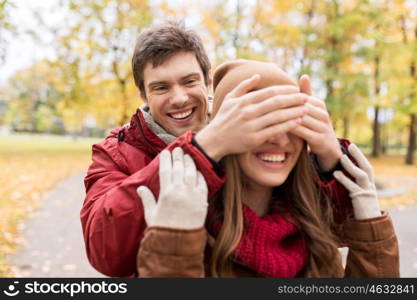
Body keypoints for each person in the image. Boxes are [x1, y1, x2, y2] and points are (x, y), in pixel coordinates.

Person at [81, 22, 353, 278]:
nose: (179, 98)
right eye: (161, 87)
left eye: (189, 82)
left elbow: (327, 223)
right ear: (144, 95)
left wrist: (331, 161)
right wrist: (205, 148)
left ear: (207, 83)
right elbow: (105, 250)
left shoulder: (250, 134)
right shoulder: (115, 153)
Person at [136, 60, 399, 277]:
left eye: (291, 122)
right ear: (226, 132)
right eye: (262, 123)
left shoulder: (314, 231)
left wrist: (371, 235)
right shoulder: (190, 229)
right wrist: (172, 253)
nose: (280, 139)